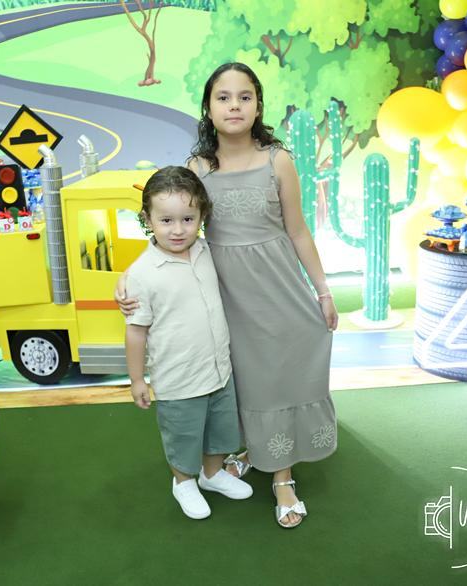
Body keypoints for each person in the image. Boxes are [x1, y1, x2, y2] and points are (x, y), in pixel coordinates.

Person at [118, 63, 338, 528]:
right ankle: (247, 453)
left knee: (280, 378)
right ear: (208, 106)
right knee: (243, 384)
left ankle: (282, 477)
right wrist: (130, 275)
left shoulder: (278, 160)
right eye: (223, 97)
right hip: (225, 301)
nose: (234, 105)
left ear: (258, 105)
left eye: (244, 96)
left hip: (280, 291)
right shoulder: (198, 168)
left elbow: (298, 231)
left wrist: (323, 290)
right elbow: (173, 226)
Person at [124, 165, 253, 520]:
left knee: (220, 431)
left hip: (218, 370)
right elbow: (136, 331)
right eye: (166, 220)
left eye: (187, 219)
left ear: (201, 217)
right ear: (148, 219)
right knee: (183, 437)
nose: (178, 230)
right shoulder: (142, 274)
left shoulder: (206, 251)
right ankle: (183, 482)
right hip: (178, 380)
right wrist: (136, 379)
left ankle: (212, 474)